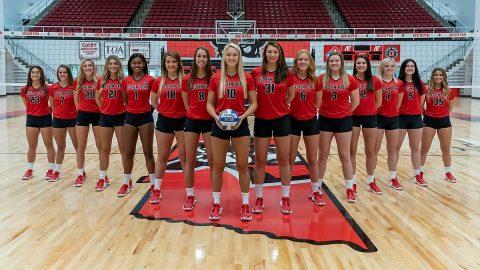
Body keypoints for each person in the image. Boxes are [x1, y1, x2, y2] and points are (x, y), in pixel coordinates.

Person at [206, 43, 257, 221]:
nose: (232, 58)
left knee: (243, 166)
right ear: (224, 57)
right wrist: (216, 117)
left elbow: (255, 103)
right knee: (218, 166)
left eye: (235, 55)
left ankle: (245, 204)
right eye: (229, 55)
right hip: (219, 125)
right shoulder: (216, 78)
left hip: (240, 125)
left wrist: (243, 117)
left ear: (239, 57)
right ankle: (216, 203)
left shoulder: (247, 77)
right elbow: (209, 104)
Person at [251, 41, 295, 214]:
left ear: (280, 54)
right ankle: (259, 198)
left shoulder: (287, 74)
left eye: (275, 52)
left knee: (283, 160)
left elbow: (290, 95)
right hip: (261, 120)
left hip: (282, 120)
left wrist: (280, 106)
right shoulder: (256, 73)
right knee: (260, 161)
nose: (272, 55)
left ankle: (285, 197)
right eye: (269, 52)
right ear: (265, 54)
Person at [316, 52, 359, 202]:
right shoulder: (322, 79)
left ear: (341, 63)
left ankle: (349, 188)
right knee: (322, 155)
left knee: (345, 155)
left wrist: (345, 112)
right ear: (328, 63)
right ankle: (317, 188)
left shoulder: (350, 79)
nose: (334, 63)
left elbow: (356, 101)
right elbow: (317, 100)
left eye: (336, 61)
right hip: (325, 120)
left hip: (344, 121)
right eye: (331, 61)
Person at [150, 51, 186, 204]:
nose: (171, 64)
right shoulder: (159, 81)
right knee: (163, 156)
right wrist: (164, 111)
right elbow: (153, 102)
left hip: (183, 120)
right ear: (164, 64)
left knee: (185, 156)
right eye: (168, 62)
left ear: (178, 63)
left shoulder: (185, 80)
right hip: (165, 121)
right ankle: (157, 189)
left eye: (173, 61)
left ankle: (188, 191)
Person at [289, 49, 323, 205]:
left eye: (305, 60)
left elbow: (318, 103)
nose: (303, 62)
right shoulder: (289, 78)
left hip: (310, 121)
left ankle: (315, 191)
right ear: (296, 62)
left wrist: (308, 111)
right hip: (292, 121)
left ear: (310, 62)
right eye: (300, 59)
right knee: (290, 159)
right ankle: (286, 193)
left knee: (312, 159)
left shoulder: (316, 80)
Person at [118, 53, 156, 197]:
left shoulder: (151, 80)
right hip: (130, 117)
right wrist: (132, 111)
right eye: (134, 63)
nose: (137, 65)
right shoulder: (126, 80)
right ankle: (126, 183)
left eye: (139, 63)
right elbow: (125, 100)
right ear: (130, 65)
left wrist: (147, 111)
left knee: (148, 153)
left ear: (144, 64)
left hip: (146, 117)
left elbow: (153, 101)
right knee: (129, 152)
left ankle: (154, 185)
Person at [181, 47, 214, 210]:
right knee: (190, 160)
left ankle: (216, 198)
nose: (201, 59)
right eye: (199, 56)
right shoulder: (187, 79)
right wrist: (192, 113)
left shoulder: (213, 78)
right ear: (194, 58)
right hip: (192, 122)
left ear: (208, 59)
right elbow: (186, 102)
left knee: (213, 160)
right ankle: (190, 195)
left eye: (204, 56)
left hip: (209, 122)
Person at [350, 55, 383, 195]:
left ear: (368, 65)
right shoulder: (350, 79)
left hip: (370, 118)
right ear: (355, 65)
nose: (361, 65)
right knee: (351, 151)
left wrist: (369, 111)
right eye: (359, 63)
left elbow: (378, 102)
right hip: (353, 118)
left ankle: (371, 181)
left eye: (364, 63)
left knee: (371, 151)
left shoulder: (375, 80)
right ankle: (352, 182)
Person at [94, 55, 125, 191]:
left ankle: (126, 180)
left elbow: (127, 98)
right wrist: (103, 109)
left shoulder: (123, 80)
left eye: (115, 63)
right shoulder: (101, 80)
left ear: (119, 65)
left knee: (124, 149)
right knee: (104, 149)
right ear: (107, 65)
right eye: (110, 63)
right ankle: (102, 178)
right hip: (105, 117)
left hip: (120, 117)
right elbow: (97, 97)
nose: (113, 66)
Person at [420, 68, 457, 183]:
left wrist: (442, 115)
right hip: (429, 120)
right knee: (424, 149)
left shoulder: (449, 91)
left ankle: (448, 173)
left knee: (445, 148)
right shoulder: (427, 90)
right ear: (433, 76)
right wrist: (427, 115)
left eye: (440, 75)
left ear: (444, 77)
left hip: (444, 121)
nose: (438, 77)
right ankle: (419, 173)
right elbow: (421, 106)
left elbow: (450, 108)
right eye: (436, 75)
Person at [21, 66, 56, 180]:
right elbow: (27, 105)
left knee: (48, 144)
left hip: (45, 118)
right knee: (32, 146)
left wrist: (45, 112)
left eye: (37, 72)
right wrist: (34, 111)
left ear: (41, 74)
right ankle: (30, 170)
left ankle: (51, 169)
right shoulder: (25, 89)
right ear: (30, 74)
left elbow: (52, 104)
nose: (35, 74)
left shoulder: (47, 88)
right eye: (33, 72)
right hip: (31, 119)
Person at [374, 57, 404, 190]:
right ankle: (371, 177)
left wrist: (393, 111)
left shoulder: (399, 83)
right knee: (375, 150)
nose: (390, 68)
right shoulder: (377, 82)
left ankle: (393, 178)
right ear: (382, 68)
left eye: (392, 66)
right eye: (387, 66)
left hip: (393, 119)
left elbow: (399, 103)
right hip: (378, 118)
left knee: (392, 150)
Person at [397, 59, 427, 186]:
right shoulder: (399, 83)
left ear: (415, 68)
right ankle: (393, 176)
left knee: (415, 148)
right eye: (407, 66)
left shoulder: (420, 84)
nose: (410, 68)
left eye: (412, 66)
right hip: (400, 118)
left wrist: (414, 111)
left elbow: (420, 103)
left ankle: (417, 175)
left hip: (415, 119)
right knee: (395, 148)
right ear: (403, 68)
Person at [73, 58, 101, 187]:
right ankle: (80, 174)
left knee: (101, 146)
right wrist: (81, 110)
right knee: (81, 146)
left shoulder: (99, 80)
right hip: (83, 115)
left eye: (90, 65)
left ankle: (103, 175)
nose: (88, 67)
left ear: (93, 67)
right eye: (85, 66)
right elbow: (76, 100)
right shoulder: (77, 82)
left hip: (97, 114)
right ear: (82, 68)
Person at [48, 64, 78, 182]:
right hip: (58, 120)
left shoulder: (74, 86)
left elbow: (77, 102)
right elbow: (52, 105)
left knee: (78, 147)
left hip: (73, 119)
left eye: (64, 72)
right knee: (60, 146)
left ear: (68, 73)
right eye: (60, 72)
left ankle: (81, 171)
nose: (62, 74)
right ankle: (57, 171)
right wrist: (57, 115)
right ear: (58, 74)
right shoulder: (53, 88)